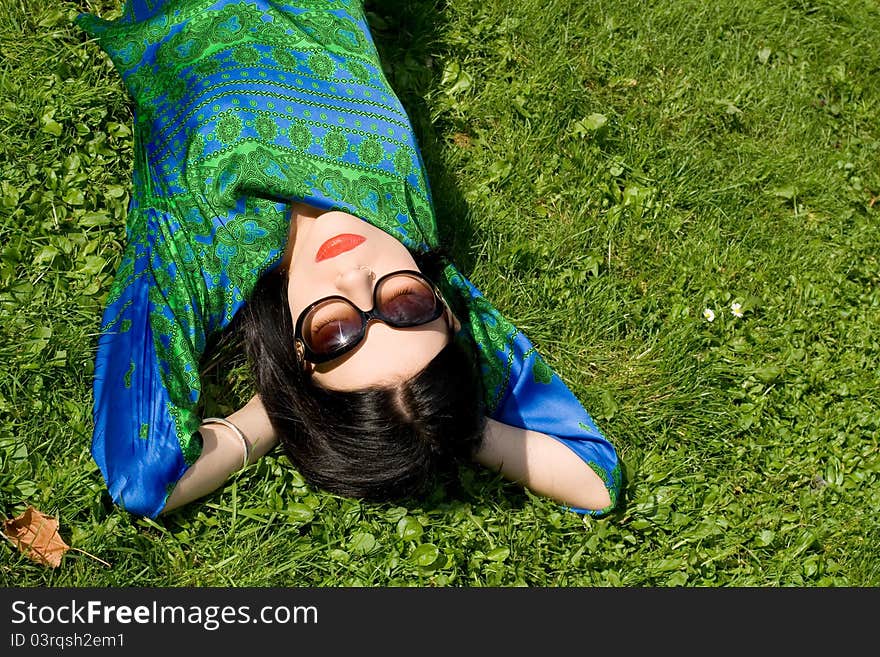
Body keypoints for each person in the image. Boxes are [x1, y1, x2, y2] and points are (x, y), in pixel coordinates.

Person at [75, 0, 622, 520]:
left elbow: (144, 480)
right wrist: (444, 420)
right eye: (404, 303)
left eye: (335, 331)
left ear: (297, 351)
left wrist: (287, 407)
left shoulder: (192, 253)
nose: (358, 279)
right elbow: (596, 477)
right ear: (449, 313)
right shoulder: (408, 236)